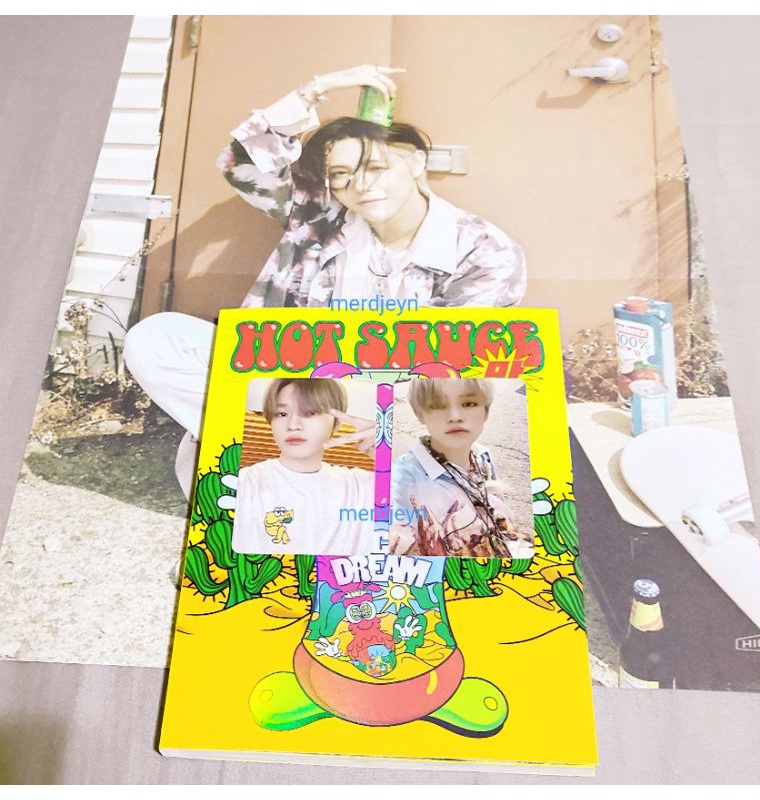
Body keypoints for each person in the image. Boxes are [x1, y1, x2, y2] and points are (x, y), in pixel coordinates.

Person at [123, 65, 527, 494]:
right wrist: (314, 91)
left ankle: (302, 465)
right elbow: (240, 164)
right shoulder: (319, 216)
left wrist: (392, 419)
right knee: (155, 338)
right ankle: (281, 457)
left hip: (392, 405)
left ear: (415, 161)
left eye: (376, 167)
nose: (360, 185)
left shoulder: (485, 252)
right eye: (341, 174)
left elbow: (461, 365)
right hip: (294, 387)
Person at [389, 378, 533, 558]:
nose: (455, 416)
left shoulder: (482, 456)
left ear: (486, 411)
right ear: (419, 414)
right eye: (438, 405)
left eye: (468, 403)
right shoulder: (402, 477)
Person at [232, 379, 376, 555]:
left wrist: (387, 451)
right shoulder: (242, 483)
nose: (293, 425)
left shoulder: (362, 487)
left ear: (337, 423)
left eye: (310, 412)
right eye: (282, 414)